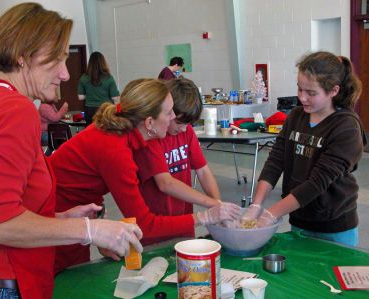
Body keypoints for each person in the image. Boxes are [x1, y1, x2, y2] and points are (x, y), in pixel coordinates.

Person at [0, 3, 142, 299]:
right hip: (3, 280)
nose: (65, 74)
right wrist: (90, 230)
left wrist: (60, 219)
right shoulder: (17, 111)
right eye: (57, 61)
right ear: (23, 57)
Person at [50, 78, 241, 273]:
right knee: (63, 278)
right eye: (169, 113)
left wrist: (97, 221)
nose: (173, 117)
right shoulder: (116, 149)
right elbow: (145, 223)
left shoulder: (126, 133)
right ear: (149, 122)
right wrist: (205, 216)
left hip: (76, 208)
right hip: (55, 211)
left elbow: (89, 181)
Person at [241, 51, 366, 247]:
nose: (302, 98)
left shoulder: (346, 127)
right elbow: (276, 160)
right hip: (299, 219)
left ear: (333, 90)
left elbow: (317, 183)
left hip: (334, 225)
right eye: (300, 89)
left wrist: (271, 213)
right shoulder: (296, 116)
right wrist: (256, 204)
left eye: (311, 93)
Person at [133, 77, 223, 245]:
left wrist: (218, 205)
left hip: (184, 223)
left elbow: (203, 171)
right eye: (179, 122)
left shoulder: (186, 132)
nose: (183, 128)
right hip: (155, 229)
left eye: (188, 124)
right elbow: (165, 183)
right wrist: (211, 206)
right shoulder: (152, 137)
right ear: (167, 112)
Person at [78, 51, 120, 125]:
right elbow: (115, 98)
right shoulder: (108, 78)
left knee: (91, 131)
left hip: (89, 109)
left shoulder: (84, 77)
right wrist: (118, 111)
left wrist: (91, 95)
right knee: (105, 131)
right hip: (105, 109)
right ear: (103, 62)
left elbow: (80, 97)